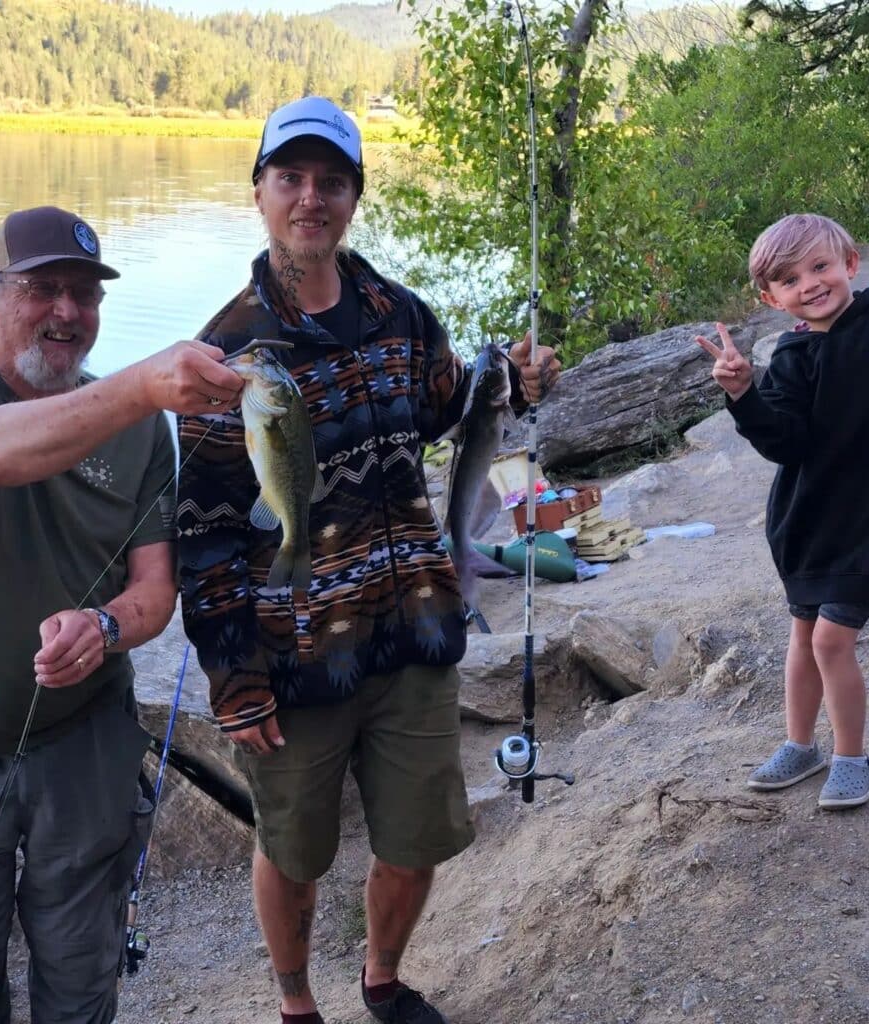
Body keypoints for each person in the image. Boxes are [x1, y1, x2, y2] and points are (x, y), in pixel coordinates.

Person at [176, 96, 561, 1024]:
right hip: (296, 653)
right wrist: (234, 674)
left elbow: (439, 409)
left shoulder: (399, 310)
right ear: (261, 192)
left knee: (416, 838)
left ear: (353, 198)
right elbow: (206, 530)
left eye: (332, 182)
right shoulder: (221, 354)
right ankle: (296, 1002)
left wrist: (508, 379)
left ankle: (382, 979)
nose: (312, 198)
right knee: (293, 852)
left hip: (415, 626)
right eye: (292, 179)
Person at [0, 205, 244, 1023]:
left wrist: (103, 628)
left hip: (83, 746)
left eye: (85, 296)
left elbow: (154, 592)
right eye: (45, 290)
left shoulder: (139, 436)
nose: (68, 313)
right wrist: (143, 386)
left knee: (81, 976)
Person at [695, 208, 869, 811]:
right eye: (790, 279)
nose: (811, 284)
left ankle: (852, 756)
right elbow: (785, 442)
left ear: (850, 263)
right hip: (808, 522)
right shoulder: (790, 359)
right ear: (772, 298)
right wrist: (743, 393)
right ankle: (800, 745)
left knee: (831, 640)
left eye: (821, 266)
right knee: (802, 635)